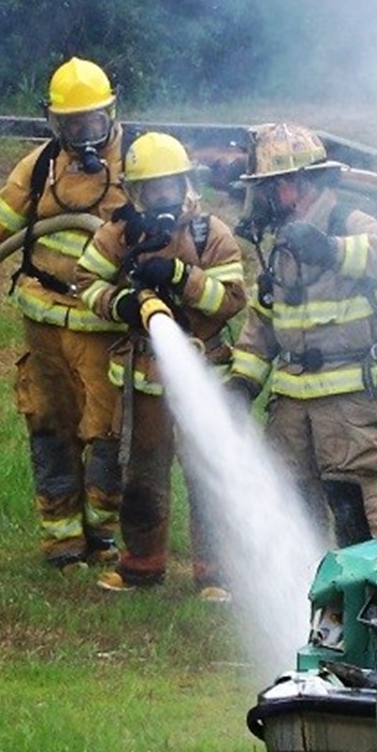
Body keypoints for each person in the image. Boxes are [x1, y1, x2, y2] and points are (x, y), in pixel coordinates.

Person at [0, 56, 129, 574]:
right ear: (53, 122)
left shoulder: (138, 166)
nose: (82, 136)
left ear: (112, 114)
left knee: (107, 432)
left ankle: (102, 538)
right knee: (49, 425)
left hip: (105, 324)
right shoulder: (39, 168)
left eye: (92, 124)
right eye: (70, 125)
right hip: (44, 324)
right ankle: (61, 544)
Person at [74, 132, 246, 600]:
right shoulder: (118, 233)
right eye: (152, 189)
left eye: (170, 186)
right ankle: (141, 565)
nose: (162, 197)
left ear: (185, 183)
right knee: (143, 475)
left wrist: (180, 277)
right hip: (144, 381)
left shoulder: (210, 234)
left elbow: (230, 300)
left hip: (204, 378)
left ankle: (214, 572)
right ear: (135, 192)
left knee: (208, 474)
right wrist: (123, 304)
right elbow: (86, 282)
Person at [227, 123, 377, 547]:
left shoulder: (347, 221)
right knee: (292, 502)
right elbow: (264, 320)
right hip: (291, 402)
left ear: (295, 183)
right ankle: (311, 596)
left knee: (351, 502)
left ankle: (373, 601)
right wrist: (242, 383)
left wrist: (331, 249)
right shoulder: (279, 242)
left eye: (269, 188)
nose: (263, 200)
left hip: (347, 400)